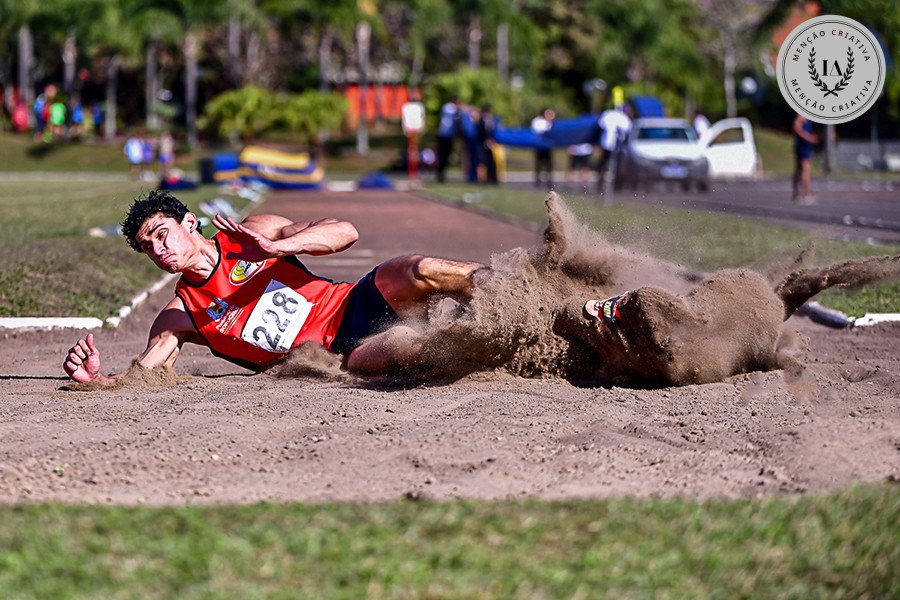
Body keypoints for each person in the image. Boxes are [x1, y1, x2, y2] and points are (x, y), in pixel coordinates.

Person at [63, 190, 484, 384]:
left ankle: (510, 293)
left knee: (415, 269)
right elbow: (142, 373)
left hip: (350, 302)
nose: (158, 249)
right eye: (147, 247)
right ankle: (486, 346)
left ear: (190, 222)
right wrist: (98, 380)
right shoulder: (182, 314)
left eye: (161, 234)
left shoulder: (251, 235)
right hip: (341, 353)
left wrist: (280, 247)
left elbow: (345, 232)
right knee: (407, 346)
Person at [596, 94, 632, 189]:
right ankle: (601, 182)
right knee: (605, 163)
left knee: (612, 165)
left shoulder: (612, 115)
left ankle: (612, 184)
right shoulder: (620, 117)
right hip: (610, 144)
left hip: (615, 145)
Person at [792, 114, 819, 205]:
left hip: (804, 146)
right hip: (802, 146)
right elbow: (796, 127)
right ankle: (806, 194)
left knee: (799, 170)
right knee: (805, 170)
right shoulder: (802, 115)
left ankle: (797, 194)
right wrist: (808, 137)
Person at [435, 97, 460, 183]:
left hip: (449, 135)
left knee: (446, 156)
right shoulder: (448, 107)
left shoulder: (452, 108)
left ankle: (441, 174)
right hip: (444, 134)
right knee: (442, 155)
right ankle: (440, 174)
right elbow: (454, 112)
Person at [531, 108, 556, 188]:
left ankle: (549, 181)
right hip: (539, 145)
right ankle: (537, 180)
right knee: (539, 163)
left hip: (548, 146)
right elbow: (536, 131)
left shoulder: (552, 123)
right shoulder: (538, 121)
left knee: (549, 164)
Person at [476, 103, 499, 185]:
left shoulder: (487, 119)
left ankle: (491, 178)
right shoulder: (483, 120)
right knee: (482, 162)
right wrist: (487, 140)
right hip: (482, 144)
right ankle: (481, 179)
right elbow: (482, 132)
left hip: (487, 144)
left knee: (490, 161)